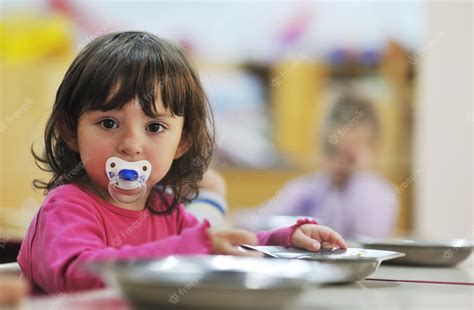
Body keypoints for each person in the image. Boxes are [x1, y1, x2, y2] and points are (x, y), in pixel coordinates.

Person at [17, 32, 347, 294]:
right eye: (108, 123)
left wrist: (281, 241)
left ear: (182, 142)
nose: (131, 145)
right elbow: (78, 275)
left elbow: (220, 246)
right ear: (70, 132)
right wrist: (193, 247)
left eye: (155, 127)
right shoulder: (67, 207)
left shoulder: (165, 208)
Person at [237, 92, 398, 238]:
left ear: (374, 149)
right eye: (331, 151)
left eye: (350, 157)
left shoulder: (376, 192)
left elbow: (369, 234)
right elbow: (262, 219)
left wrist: (359, 176)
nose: (338, 164)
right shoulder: (309, 188)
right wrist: (238, 221)